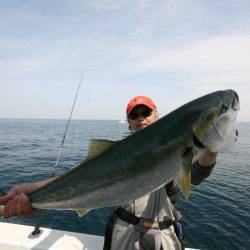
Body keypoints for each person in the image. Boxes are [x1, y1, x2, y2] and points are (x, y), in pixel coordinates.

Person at [0, 96, 218, 250]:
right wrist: (34, 191)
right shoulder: (116, 152)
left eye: (146, 112)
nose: (141, 117)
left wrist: (212, 148)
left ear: (156, 115)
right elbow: (80, 177)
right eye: (135, 114)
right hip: (124, 234)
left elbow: (197, 175)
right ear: (129, 121)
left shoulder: (173, 148)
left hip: (164, 235)